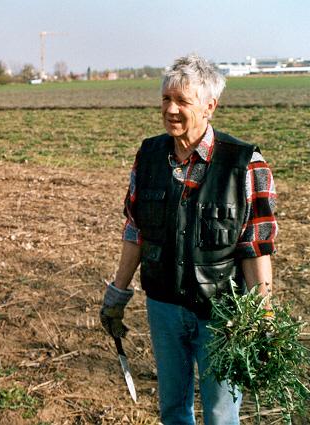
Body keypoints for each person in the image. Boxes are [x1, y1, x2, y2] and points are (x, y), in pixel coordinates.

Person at [100, 54, 277, 425]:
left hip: (222, 315)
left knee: (219, 413)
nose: (171, 109)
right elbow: (136, 231)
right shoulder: (149, 156)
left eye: (182, 101)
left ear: (210, 105)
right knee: (172, 410)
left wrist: (262, 314)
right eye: (166, 99)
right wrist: (117, 294)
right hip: (163, 308)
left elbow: (255, 245)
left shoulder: (245, 163)